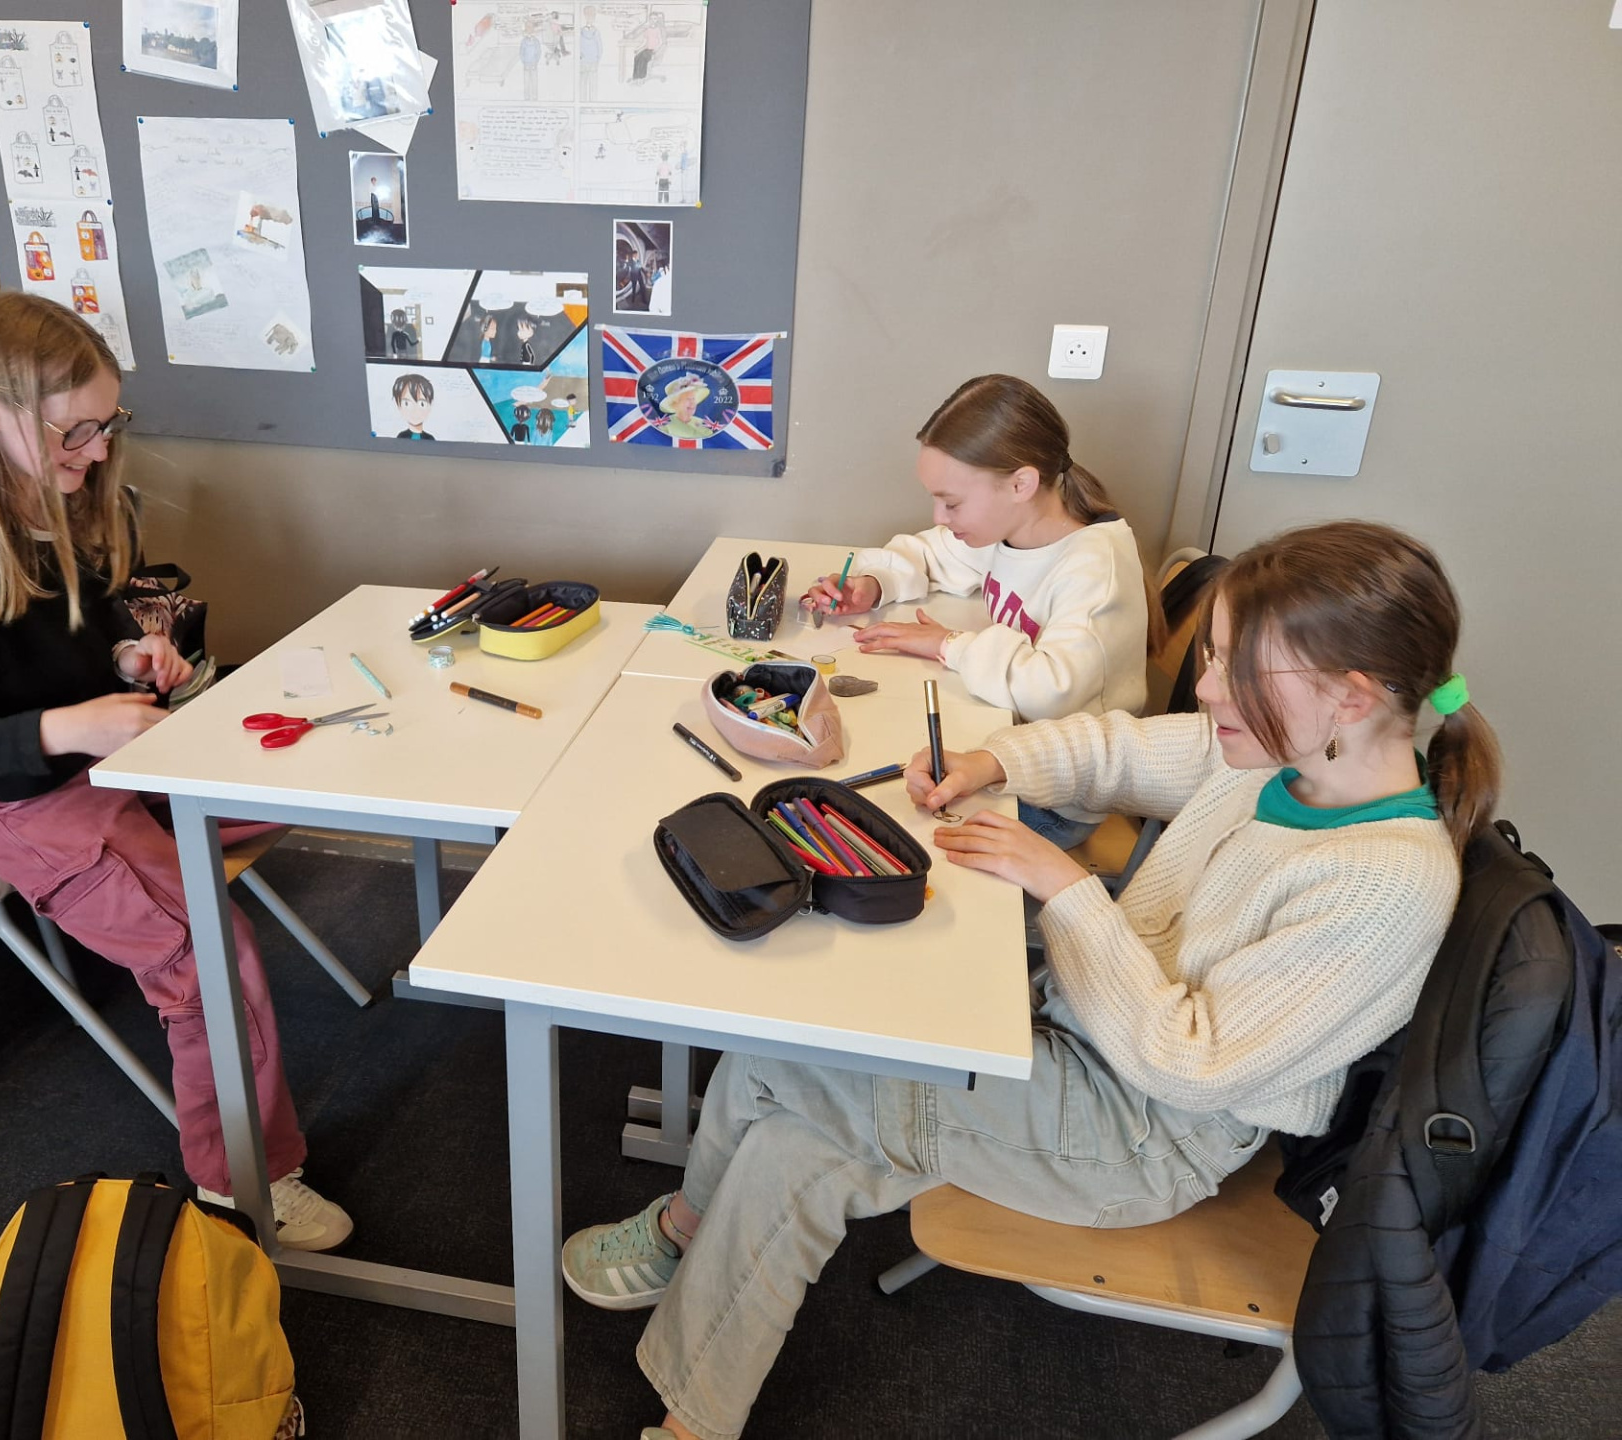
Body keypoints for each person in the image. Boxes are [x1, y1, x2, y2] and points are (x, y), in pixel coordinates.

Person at [564, 519, 1496, 1440]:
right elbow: (1124, 752)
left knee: (793, 1054)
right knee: (790, 1143)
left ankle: (685, 1243)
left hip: (1144, 1133)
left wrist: (1067, 888)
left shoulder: (1386, 885)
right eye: (1212, 657)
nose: (1209, 687)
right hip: (1078, 1033)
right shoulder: (1288, 755)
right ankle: (692, 1379)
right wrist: (995, 760)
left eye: (1236, 670)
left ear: (1350, 696)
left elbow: (1190, 1065)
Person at [0, 293, 350, 1252]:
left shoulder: (54, 507)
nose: (95, 452)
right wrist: (70, 725)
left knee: (300, 776)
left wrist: (127, 660)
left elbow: (71, 644)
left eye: (106, 425)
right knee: (211, 960)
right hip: (17, 799)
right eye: (75, 431)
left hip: (91, 759)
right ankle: (242, 1188)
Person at [798, 374, 1159, 849]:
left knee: (868, 828)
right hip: (1006, 751)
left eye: (951, 502)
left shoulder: (1093, 570)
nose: (939, 517)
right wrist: (872, 585)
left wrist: (950, 645)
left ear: (1021, 484)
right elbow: (932, 553)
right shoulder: (1014, 529)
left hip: (1058, 800)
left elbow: (1051, 691)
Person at [392, 372, 436, 440]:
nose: (414, 410)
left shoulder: (429, 438)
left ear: (430, 405)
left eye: (422, 404)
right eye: (406, 403)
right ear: (398, 405)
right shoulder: (402, 436)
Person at [578, 5, 602, 100]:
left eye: (592, 15)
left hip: (591, 61)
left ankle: (592, 103)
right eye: (588, 15)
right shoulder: (581, 31)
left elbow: (600, 48)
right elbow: (600, 48)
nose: (590, 17)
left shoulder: (595, 31)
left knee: (591, 84)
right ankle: (584, 102)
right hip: (584, 61)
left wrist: (597, 59)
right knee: (584, 83)